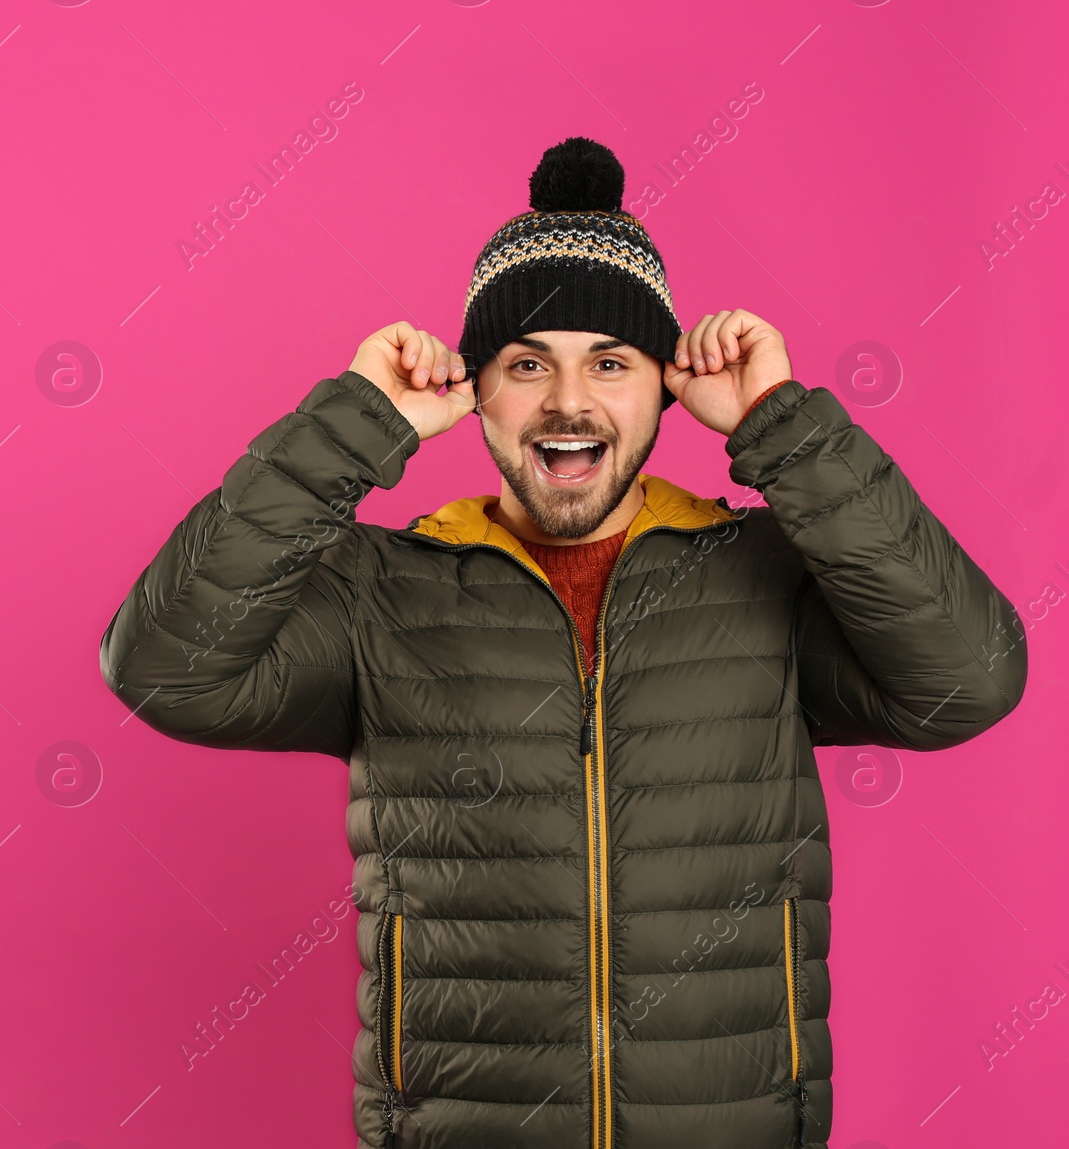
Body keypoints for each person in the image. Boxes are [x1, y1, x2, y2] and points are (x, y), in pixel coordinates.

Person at [99, 136, 1027, 1149]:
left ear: (665, 387)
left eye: (611, 364)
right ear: (476, 388)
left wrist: (781, 425)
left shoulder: (765, 571)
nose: (569, 404)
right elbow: (163, 668)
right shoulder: (382, 591)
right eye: (527, 363)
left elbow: (968, 678)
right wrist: (357, 427)